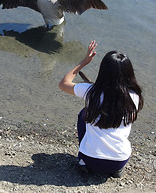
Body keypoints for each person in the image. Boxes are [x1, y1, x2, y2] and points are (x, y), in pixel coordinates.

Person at [58, 40, 143, 178]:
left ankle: (83, 162)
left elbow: (63, 84)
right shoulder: (134, 96)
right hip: (120, 160)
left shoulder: (91, 92)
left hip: (92, 159)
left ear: (103, 71)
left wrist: (84, 62)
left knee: (84, 114)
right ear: (129, 73)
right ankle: (114, 170)